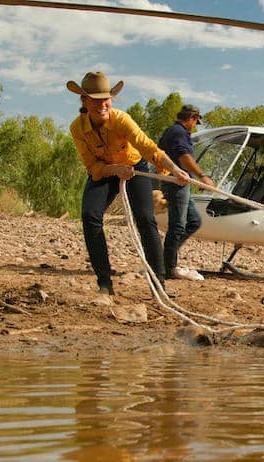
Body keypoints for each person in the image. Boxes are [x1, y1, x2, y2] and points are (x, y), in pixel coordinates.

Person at [67, 71, 190, 295]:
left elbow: (148, 147)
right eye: (95, 100)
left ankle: (158, 285)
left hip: (135, 168)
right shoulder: (77, 128)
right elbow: (92, 167)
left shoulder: (121, 120)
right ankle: (105, 283)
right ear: (84, 101)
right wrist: (114, 169)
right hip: (105, 172)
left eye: (105, 99)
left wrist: (174, 169)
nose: (102, 104)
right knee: (90, 216)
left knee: (145, 219)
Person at [157, 104, 214, 281]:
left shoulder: (173, 131)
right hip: (177, 183)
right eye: (196, 121)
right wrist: (202, 176)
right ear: (192, 117)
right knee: (178, 225)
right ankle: (168, 267)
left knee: (194, 221)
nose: (195, 124)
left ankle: (165, 259)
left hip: (181, 183)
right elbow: (184, 157)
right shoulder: (179, 132)